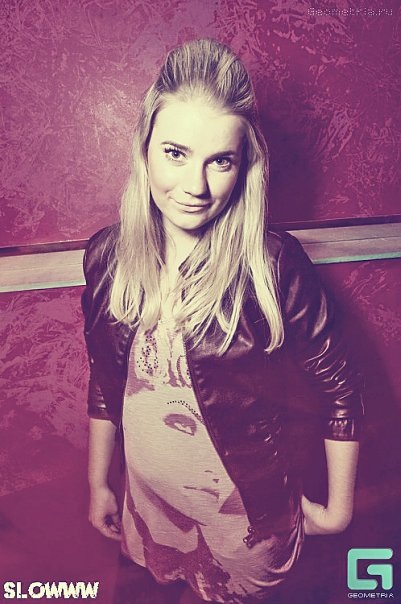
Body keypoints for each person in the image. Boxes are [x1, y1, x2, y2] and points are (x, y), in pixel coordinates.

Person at [81, 38, 364, 603]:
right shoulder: (107, 256)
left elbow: (339, 386)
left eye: (221, 161)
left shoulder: (274, 265)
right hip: (149, 512)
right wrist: (98, 481)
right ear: (144, 149)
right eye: (176, 153)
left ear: (244, 165)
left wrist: (340, 510)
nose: (196, 186)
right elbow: (107, 378)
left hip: (247, 524)